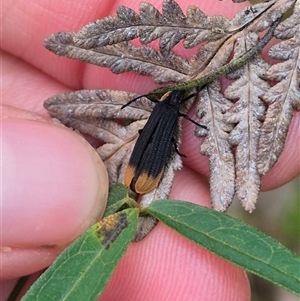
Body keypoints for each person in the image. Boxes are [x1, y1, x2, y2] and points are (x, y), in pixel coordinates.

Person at [1, 0, 299, 300]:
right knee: (167, 142)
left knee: (160, 139)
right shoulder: (170, 112)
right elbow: (169, 132)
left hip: (143, 161)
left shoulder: (161, 110)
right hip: (146, 169)